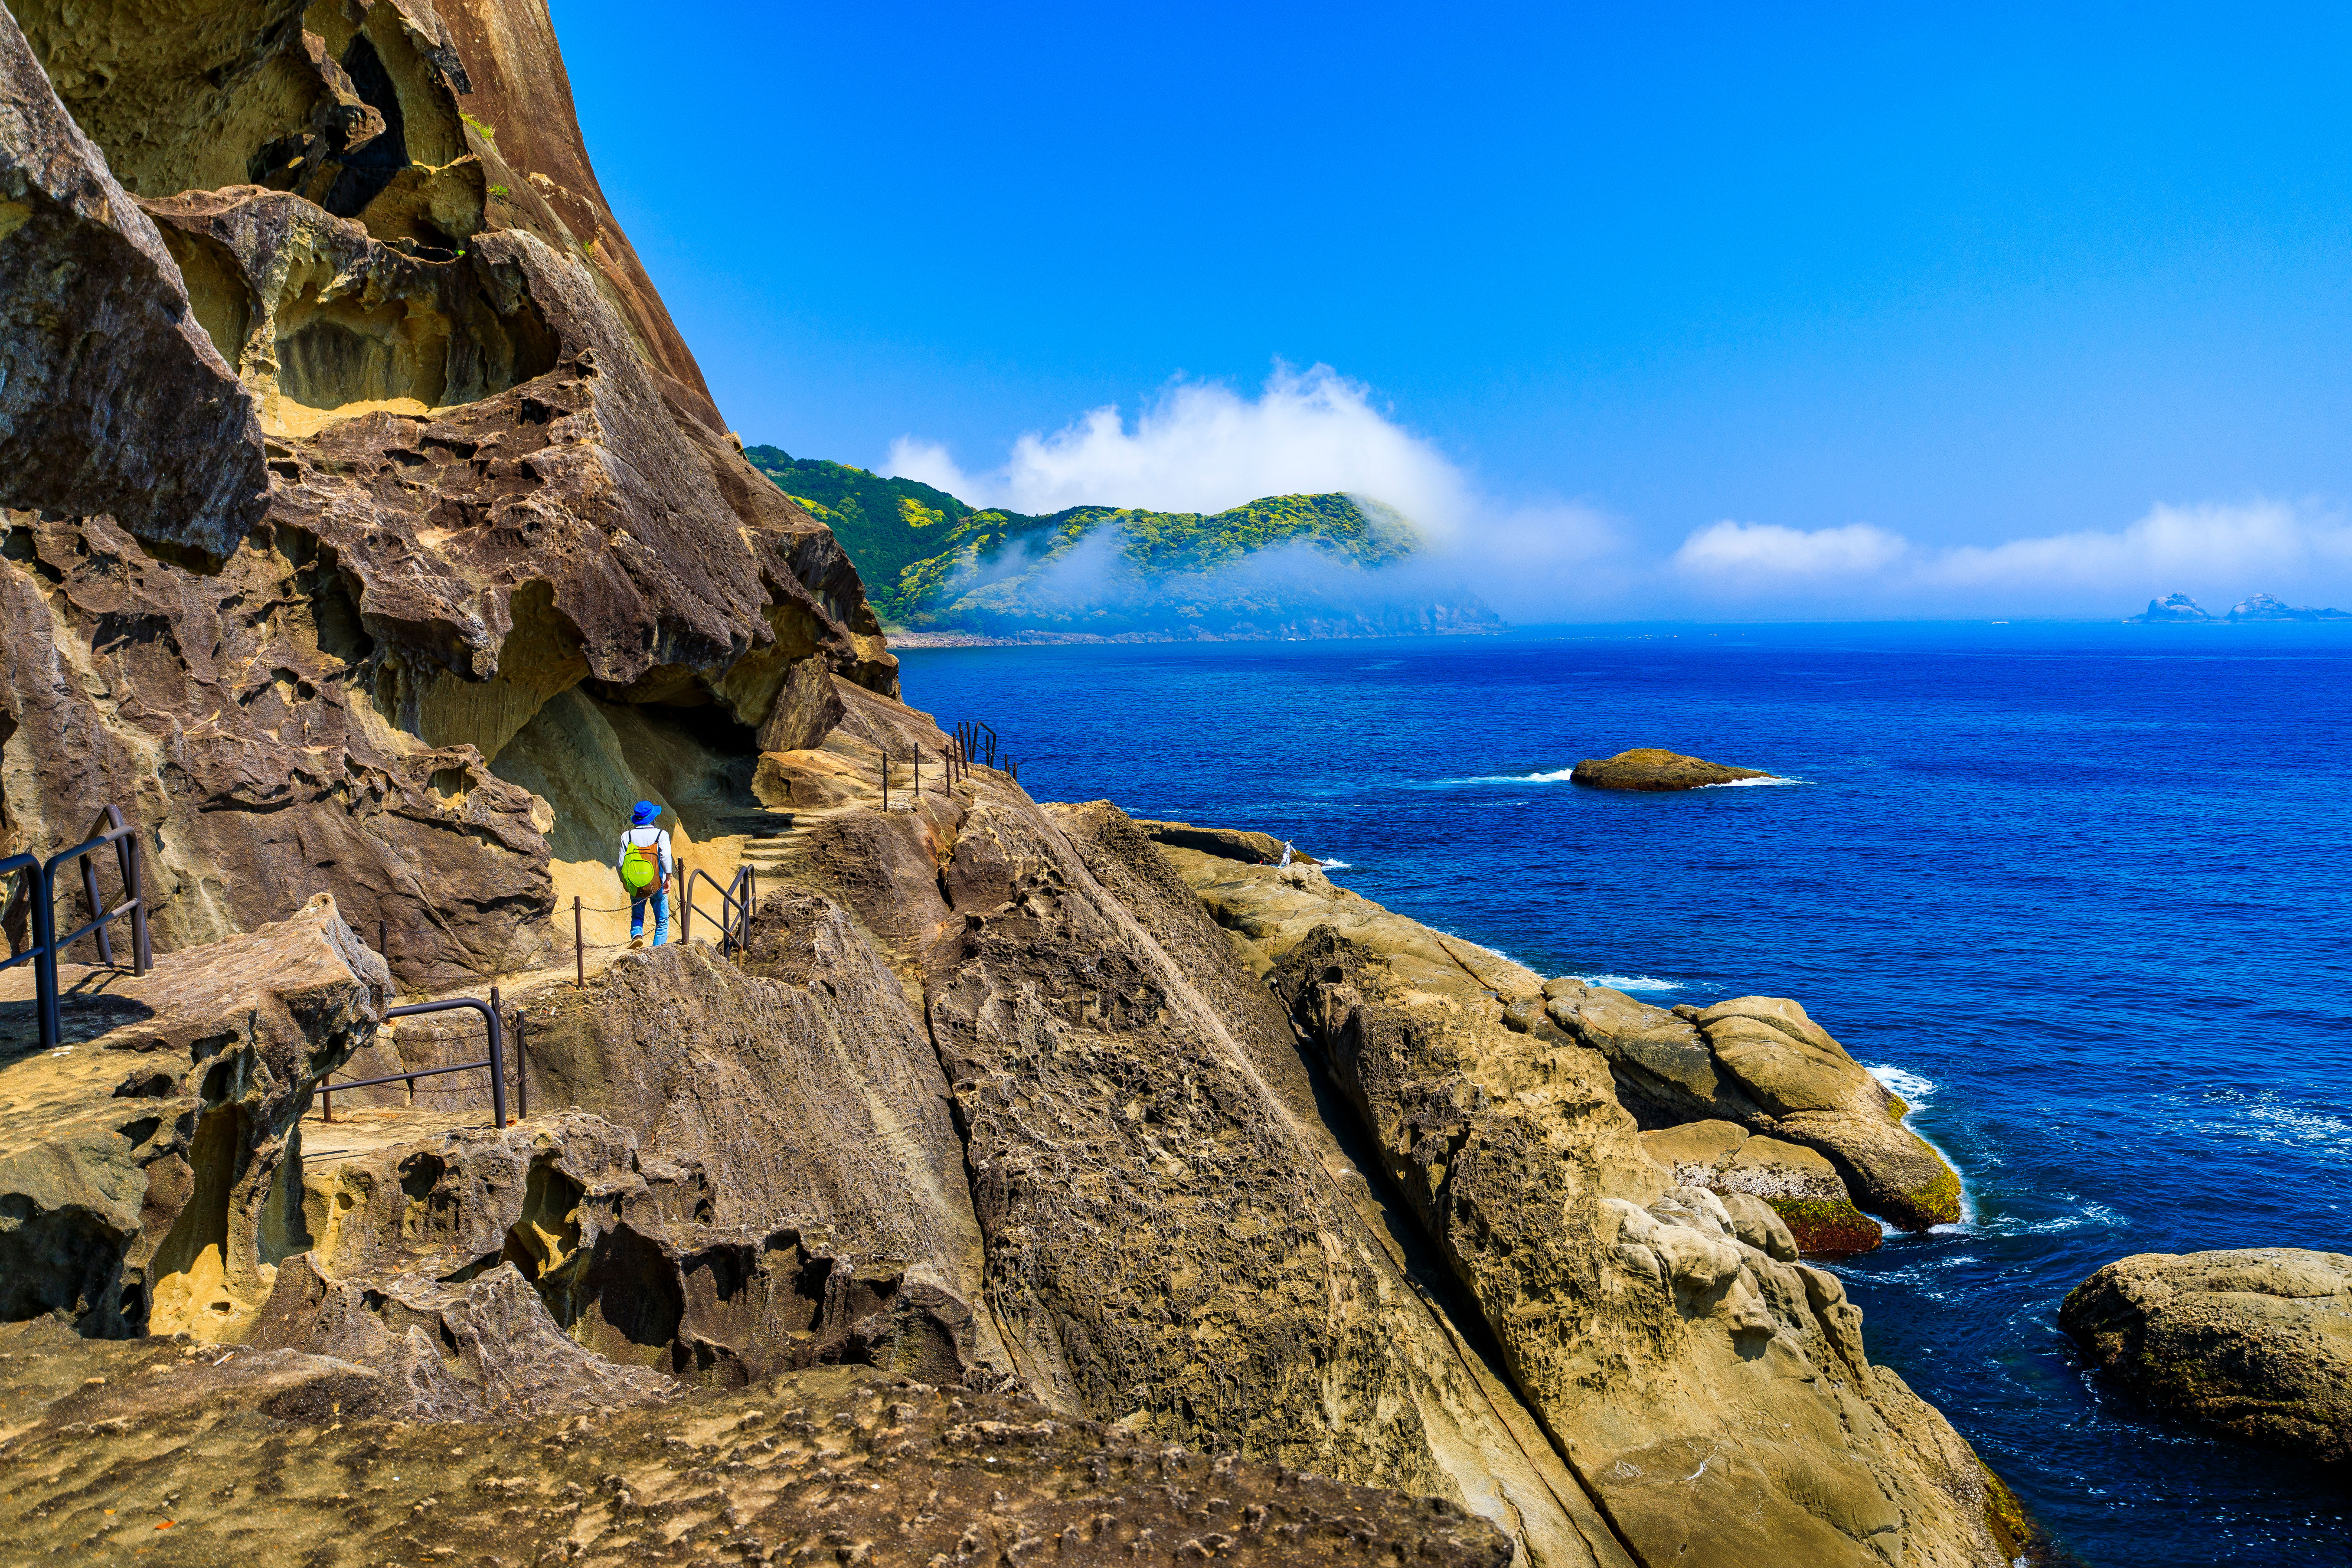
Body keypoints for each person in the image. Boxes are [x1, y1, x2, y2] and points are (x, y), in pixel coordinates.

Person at [617, 800, 671, 948]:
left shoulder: (627, 836)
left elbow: (621, 864)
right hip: (657, 884)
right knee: (662, 921)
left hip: (635, 882)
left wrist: (625, 882)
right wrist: (668, 877)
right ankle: (657, 951)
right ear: (653, 818)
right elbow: (666, 857)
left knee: (637, 915)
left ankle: (637, 935)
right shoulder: (661, 834)